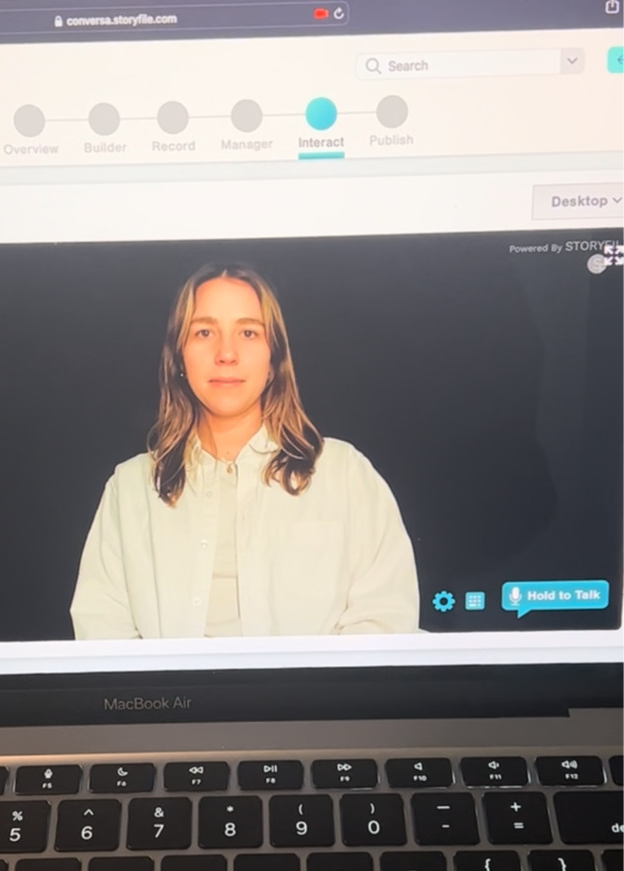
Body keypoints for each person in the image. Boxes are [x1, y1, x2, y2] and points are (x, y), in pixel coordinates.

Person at [70, 263, 419, 638]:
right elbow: (103, 629)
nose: (226, 353)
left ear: (274, 359)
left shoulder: (344, 474)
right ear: (179, 357)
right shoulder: (131, 487)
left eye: (248, 332)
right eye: (204, 332)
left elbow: (385, 618)